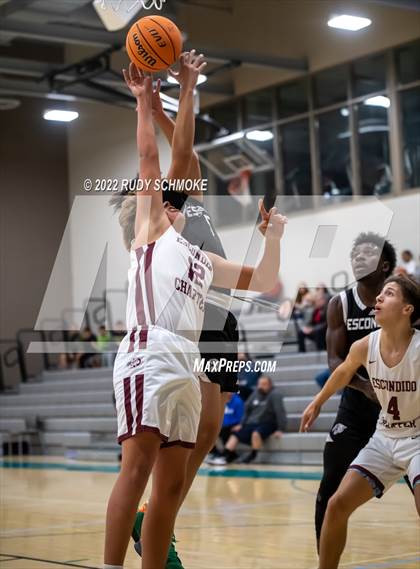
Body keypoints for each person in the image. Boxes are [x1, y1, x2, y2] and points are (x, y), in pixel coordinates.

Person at [104, 54, 287, 569]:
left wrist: (181, 93)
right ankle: (146, 537)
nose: (179, 181)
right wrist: (171, 95)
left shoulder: (193, 211)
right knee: (152, 456)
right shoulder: (160, 218)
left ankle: (160, 524)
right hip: (172, 330)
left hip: (214, 321)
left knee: (204, 434)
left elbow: (183, 146)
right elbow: (169, 151)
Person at [300, 275, 420, 569]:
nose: (378, 298)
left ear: (407, 309)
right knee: (336, 505)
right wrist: (317, 402)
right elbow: (343, 371)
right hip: (385, 436)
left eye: (389, 294)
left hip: (417, 437)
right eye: (380, 293)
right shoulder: (366, 345)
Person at [314, 232, 397, 551]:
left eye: (367, 254)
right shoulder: (340, 303)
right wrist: (365, 386)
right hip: (357, 404)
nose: (358, 258)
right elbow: (335, 360)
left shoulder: (404, 300)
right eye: (355, 254)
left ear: (385, 264)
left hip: (402, 405)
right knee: (330, 482)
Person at [221, 375, 287, 464]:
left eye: (264, 384)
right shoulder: (256, 393)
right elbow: (247, 408)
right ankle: (225, 455)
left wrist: (280, 429)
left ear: (270, 385)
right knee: (235, 434)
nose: (261, 387)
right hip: (252, 423)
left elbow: (280, 412)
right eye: (259, 384)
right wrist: (241, 424)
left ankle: (253, 455)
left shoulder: (275, 394)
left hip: (267, 423)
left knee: (256, 433)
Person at [206, 392, 244, 465]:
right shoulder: (221, 401)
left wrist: (240, 424)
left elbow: (241, 416)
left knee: (224, 432)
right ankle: (215, 453)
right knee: (208, 432)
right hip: (222, 425)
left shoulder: (238, 402)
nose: (227, 393)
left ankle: (224, 456)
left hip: (233, 425)